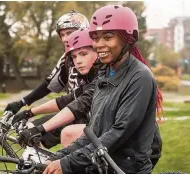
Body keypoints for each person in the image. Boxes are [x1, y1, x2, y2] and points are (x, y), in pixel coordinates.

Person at [42, 5, 163, 174]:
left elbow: (119, 133)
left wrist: (67, 163)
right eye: (95, 38)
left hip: (125, 168)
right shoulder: (105, 74)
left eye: (107, 37)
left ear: (127, 39)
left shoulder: (140, 77)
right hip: (102, 162)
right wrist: (58, 156)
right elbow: (93, 132)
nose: (99, 45)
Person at [4, 10, 90, 149]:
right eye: (62, 35)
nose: (64, 39)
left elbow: (75, 98)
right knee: (30, 132)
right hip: (72, 110)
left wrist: (30, 112)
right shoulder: (67, 58)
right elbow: (49, 84)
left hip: (86, 116)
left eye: (69, 33)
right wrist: (23, 102)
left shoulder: (95, 61)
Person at [15, 28, 101, 148]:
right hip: (86, 120)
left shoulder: (103, 75)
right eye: (74, 57)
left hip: (104, 128)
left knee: (67, 135)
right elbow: (68, 99)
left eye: (83, 54)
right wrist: (29, 112)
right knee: (31, 130)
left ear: (98, 52)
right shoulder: (86, 78)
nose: (78, 61)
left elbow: (80, 104)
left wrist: (41, 128)